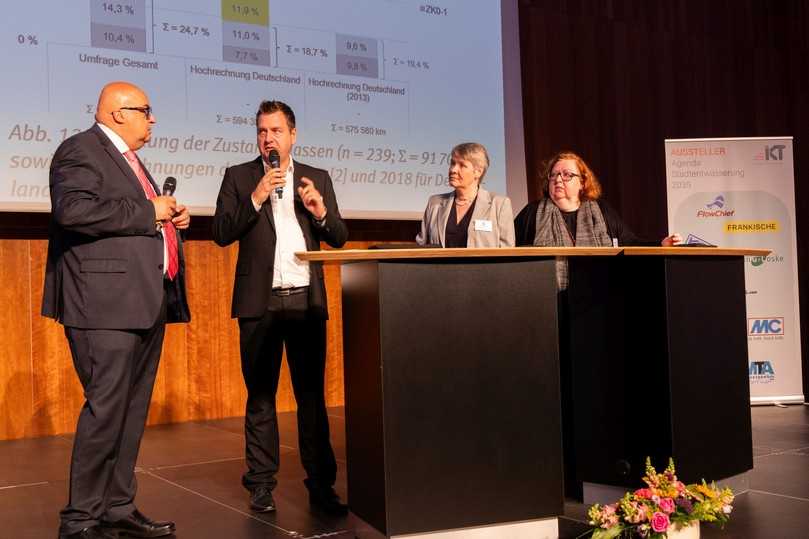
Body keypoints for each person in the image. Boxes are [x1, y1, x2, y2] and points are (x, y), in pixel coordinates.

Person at [42, 81, 190, 539]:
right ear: (117, 112)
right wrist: (151, 212)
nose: (153, 119)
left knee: (130, 412)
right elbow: (74, 212)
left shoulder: (128, 159)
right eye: (146, 110)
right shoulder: (79, 150)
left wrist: (170, 218)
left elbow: (132, 214)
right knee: (106, 411)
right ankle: (80, 519)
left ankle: (117, 506)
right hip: (103, 307)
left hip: (144, 303)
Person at [212, 100, 349, 516]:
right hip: (260, 302)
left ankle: (321, 486)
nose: (267, 138)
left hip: (306, 301)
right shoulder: (239, 177)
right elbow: (220, 232)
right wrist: (254, 198)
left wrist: (320, 212)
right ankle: (260, 484)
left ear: (292, 135)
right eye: (261, 131)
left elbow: (340, 236)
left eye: (275, 131)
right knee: (261, 397)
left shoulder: (317, 178)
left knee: (311, 398)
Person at [514, 151, 682, 288]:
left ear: (582, 182)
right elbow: (511, 249)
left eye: (566, 175)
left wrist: (660, 245)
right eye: (554, 175)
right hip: (546, 299)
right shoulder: (533, 212)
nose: (558, 180)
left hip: (595, 299)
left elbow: (629, 242)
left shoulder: (600, 211)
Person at [416, 142, 515, 247]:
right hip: (439, 264)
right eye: (452, 163)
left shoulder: (499, 204)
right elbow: (421, 246)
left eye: (462, 165)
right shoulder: (435, 202)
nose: (453, 170)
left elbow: (507, 251)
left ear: (478, 172)